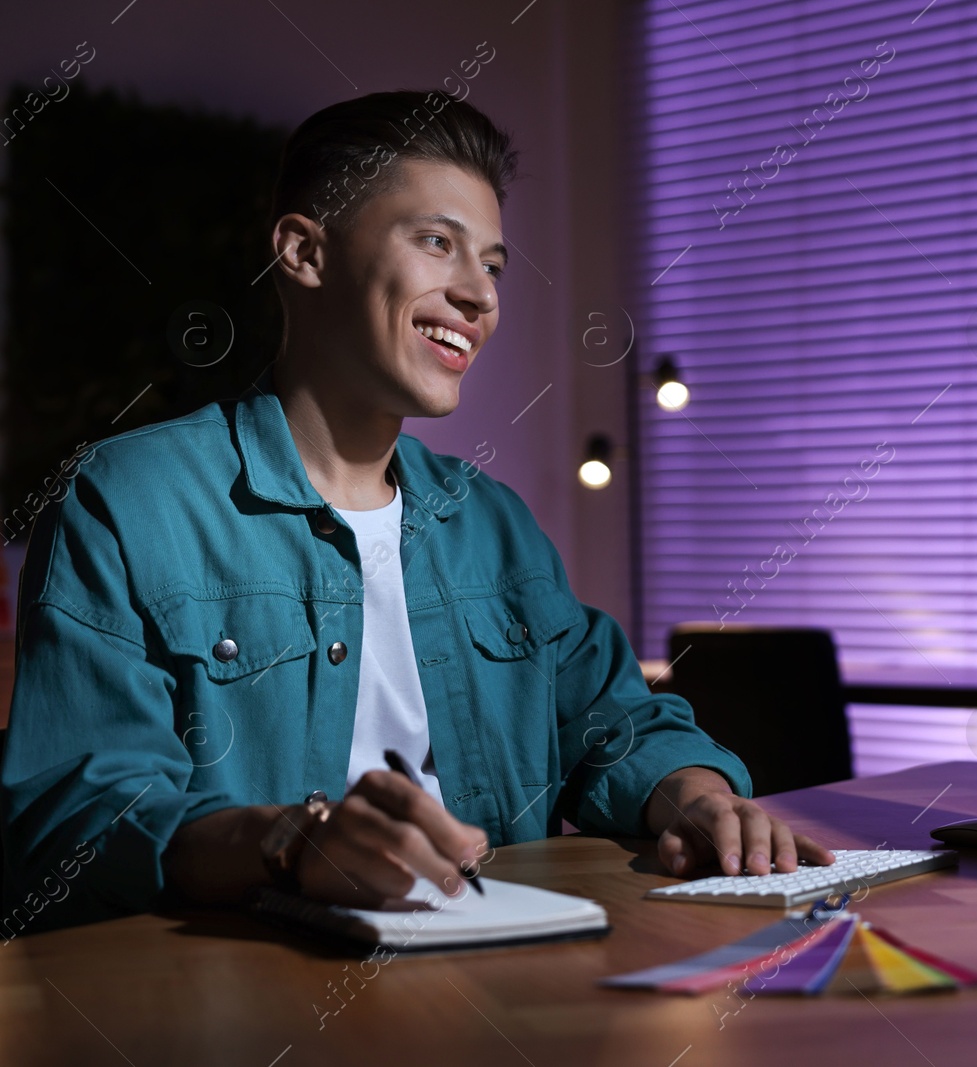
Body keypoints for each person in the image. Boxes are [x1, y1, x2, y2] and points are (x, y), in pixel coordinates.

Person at [0, 89, 831, 935]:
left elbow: (612, 721)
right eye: (438, 243)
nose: (480, 296)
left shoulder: (495, 524)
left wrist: (694, 794)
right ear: (304, 253)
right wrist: (293, 841)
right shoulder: (129, 498)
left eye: (495, 265)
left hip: (510, 980)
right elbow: (76, 817)